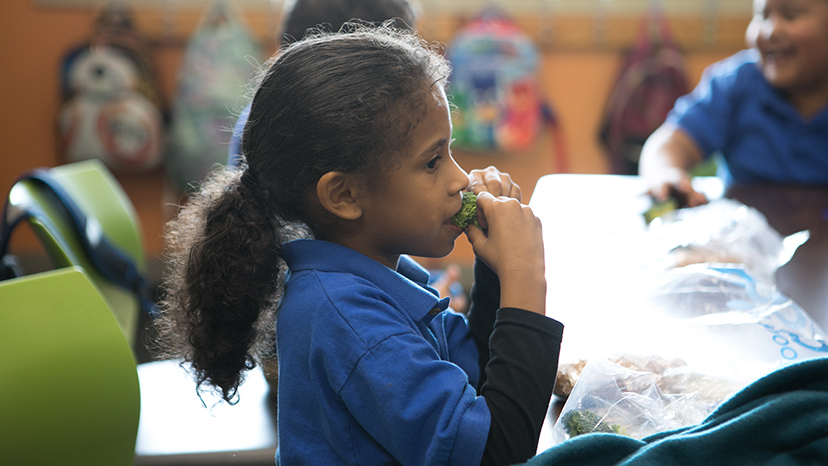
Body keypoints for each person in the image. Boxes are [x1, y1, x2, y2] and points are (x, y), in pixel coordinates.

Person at [155, 26, 564, 466]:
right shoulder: (349, 318)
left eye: (450, 152)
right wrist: (525, 280)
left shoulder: (380, 276)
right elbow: (495, 453)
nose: (460, 179)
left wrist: (497, 270)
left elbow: (478, 378)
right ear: (345, 196)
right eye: (432, 161)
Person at [639, 0, 828, 207]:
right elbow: (670, 142)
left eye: (790, 15)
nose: (770, 31)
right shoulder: (734, 85)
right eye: (762, 16)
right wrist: (665, 174)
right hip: (746, 233)